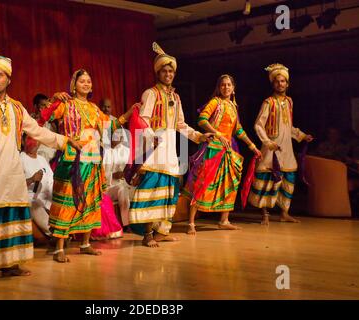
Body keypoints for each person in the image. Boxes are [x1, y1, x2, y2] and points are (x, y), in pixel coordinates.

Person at [0, 46, 80, 277]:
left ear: (8, 78)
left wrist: (65, 141)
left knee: (14, 213)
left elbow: (39, 133)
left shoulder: (17, 108)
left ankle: (11, 264)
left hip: (12, 170)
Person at [45, 69, 134, 263]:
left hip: (93, 160)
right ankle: (59, 248)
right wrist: (53, 100)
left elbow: (109, 127)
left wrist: (128, 113)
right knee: (67, 202)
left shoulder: (94, 108)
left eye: (88, 81)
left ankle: (85, 244)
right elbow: (45, 116)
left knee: (91, 202)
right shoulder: (66, 104)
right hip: (72, 159)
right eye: (82, 81)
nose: (86, 84)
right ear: (74, 85)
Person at [128, 42, 211, 248]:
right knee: (152, 191)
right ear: (158, 73)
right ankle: (147, 234)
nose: (168, 74)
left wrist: (199, 137)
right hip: (155, 150)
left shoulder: (175, 96)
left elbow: (181, 124)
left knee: (170, 192)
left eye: (171, 71)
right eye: (164, 71)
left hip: (171, 151)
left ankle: (161, 232)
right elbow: (143, 120)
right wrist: (151, 136)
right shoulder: (151, 93)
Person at [183, 75, 262, 233]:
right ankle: (191, 222)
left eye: (229, 85)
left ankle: (224, 220)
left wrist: (252, 146)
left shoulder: (233, 106)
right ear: (219, 88)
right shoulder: (215, 103)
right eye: (223, 85)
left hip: (228, 150)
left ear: (233, 88)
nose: (226, 87)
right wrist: (217, 133)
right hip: (213, 148)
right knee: (203, 183)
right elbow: (202, 120)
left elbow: (238, 129)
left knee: (230, 184)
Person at [248, 63, 314, 225]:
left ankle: (284, 213)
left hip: (286, 148)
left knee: (288, 179)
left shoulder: (289, 102)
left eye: (283, 81)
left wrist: (302, 135)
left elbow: (288, 126)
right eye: (277, 81)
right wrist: (268, 142)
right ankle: (265, 214)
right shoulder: (268, 102)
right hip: (272, 148)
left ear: (287, 84)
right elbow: (258, 125)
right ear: (273, 84)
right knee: (268, 180)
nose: (280, 84)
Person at [20, 136, 54, 237]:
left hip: (47, 197)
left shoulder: (42, 159)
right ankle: (54, 234)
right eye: (29, 139)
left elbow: (51, 179)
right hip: (30, 198)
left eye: (36, 140)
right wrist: (31, 179)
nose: (33, 143)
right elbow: (14, 185)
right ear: (22, 141)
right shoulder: (20, 159)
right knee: (34, 204)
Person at [32, 93, 57, 162]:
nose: (46, 107)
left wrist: (50, 119)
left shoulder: (51, 119)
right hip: (35, 148)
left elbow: (56, 134)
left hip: (50, 147)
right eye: (43, 105)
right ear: (36, 106)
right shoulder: (30, 119)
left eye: (47, 105)